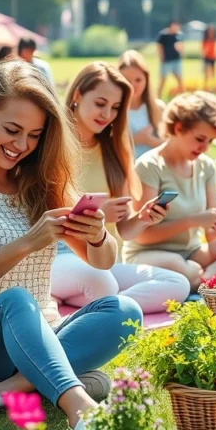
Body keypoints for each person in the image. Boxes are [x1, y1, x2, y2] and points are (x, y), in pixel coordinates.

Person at [0, 61, 141, 430]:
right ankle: (78, 403)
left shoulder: (39, 181)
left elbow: (103, 261)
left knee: (125, 310)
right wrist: (27, 242)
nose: (21, 145)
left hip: (34, 339)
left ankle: (8, 389)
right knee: (17, 300)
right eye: (12, 130)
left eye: (34, 135)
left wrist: (98, 234)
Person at [52, 62, 190, 313]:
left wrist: (143, 218)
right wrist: (96, 211)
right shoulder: (52, 145)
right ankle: (104, 305)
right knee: (101, 282)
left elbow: (125, 230)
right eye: (100, 103)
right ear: (77, 95)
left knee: (177, 283)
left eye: (115, 108)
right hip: (59, 256)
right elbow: (37, 212)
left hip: (103, 261)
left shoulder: (114, 151)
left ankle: (90, 305)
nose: (107, 114)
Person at [128, 92, 216, 291]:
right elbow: (141, 236)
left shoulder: (206, 167)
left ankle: (204, 281)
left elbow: (212, 230)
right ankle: (205, 280)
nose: (205, 147)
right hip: (149, 254)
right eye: (200, 138)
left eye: (210, 141)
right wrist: (194, 220)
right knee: (180, 267)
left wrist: (215, 232)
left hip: (193, 254)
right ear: (178, 128)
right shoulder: (149, 166)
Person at [118, 50, 165, 160]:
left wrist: (150, 141)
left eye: (138, 80)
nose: (133, 85)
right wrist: (136, 139)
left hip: (153, 172)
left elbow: (171, 145)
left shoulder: (158, 107)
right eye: (127, 80)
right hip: (124, 171)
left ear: (146, 80)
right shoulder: (113, 109)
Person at [156, 20, 183, 99]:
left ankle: (182, 96)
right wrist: (161, 57)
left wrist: (181, 50)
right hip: (166, 61)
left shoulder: (178, 35)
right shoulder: (163, 35)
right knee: (163, 79)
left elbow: (180, 46)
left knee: (179, 79)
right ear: (171, 25)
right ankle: (158, 97)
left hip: (176, 60)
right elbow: (159, 46)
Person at [202, 24, 216, 91]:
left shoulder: (214, 39)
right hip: (207, 57)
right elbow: (203, 50)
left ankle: (213, 87)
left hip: (213, 57)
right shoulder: (205, 40)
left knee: (213, 73)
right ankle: (206, 87)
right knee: (207, 73)